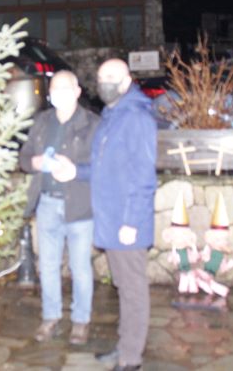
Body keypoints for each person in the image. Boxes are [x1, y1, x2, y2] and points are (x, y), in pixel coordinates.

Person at [54, 58, 157, 371]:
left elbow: (144, 177)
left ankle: (131, 359)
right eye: (101, 78)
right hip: (111, 219)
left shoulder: (136, 118)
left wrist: (131, 222)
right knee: (123, 288)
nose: (105, 83)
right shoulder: (112, 116)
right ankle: (125, 346)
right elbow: (104, 168)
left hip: (126, 223)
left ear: (127, 81)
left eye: (111, 76)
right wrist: (76, 171)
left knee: (134, 291)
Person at [18, 70, 100, 345]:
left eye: (64, 89)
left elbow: (102, 165)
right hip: (47, 204)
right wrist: (34, 162)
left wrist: (75, 171)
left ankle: (81, 321)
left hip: (79, 206)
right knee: (48, 265)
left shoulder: (92, 124)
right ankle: (50, 317)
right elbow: (24, 157)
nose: (58, 94)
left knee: (80, 267)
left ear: (77, 92)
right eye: (54, 89)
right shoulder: (42, 122)